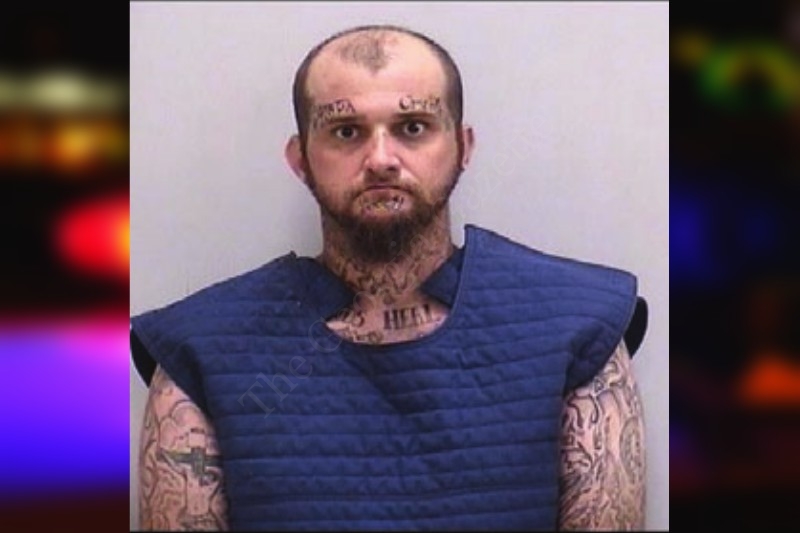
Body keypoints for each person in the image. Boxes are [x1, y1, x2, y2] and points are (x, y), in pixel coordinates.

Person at [132, 24, 648, 531]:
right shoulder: (201, 348)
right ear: (301, 159)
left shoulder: (576, 323)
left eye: (413, 127)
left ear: (463, 146)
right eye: (346, 131)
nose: (380, 159)